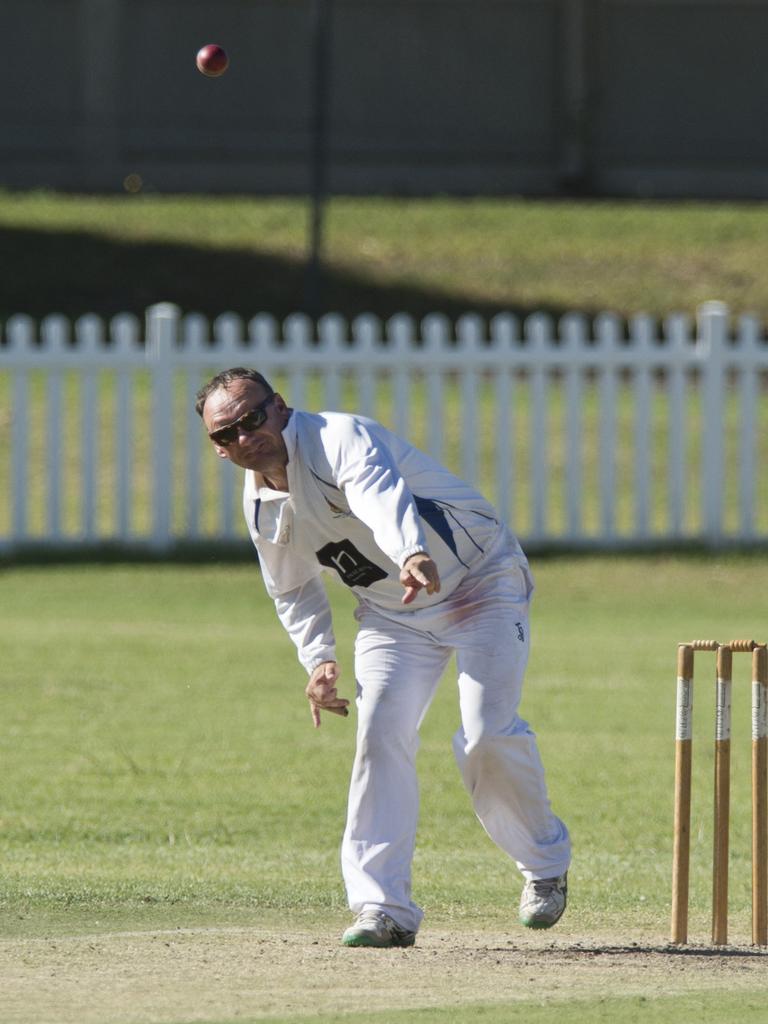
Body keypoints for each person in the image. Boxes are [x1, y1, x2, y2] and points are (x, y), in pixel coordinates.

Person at [195, 367, 571, 948]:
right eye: (227, 434)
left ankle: (544, 866)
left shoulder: (339, 437)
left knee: (485, 734)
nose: (245, 437)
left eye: (252, 418)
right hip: (393, 612)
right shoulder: (261, 506)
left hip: (479, 580)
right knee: (378, 734)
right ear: (218, 449)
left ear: (280, 407)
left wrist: (410, 550)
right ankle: (383, 908)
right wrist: (318, 659)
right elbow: (291, 587)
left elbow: (379, 492)